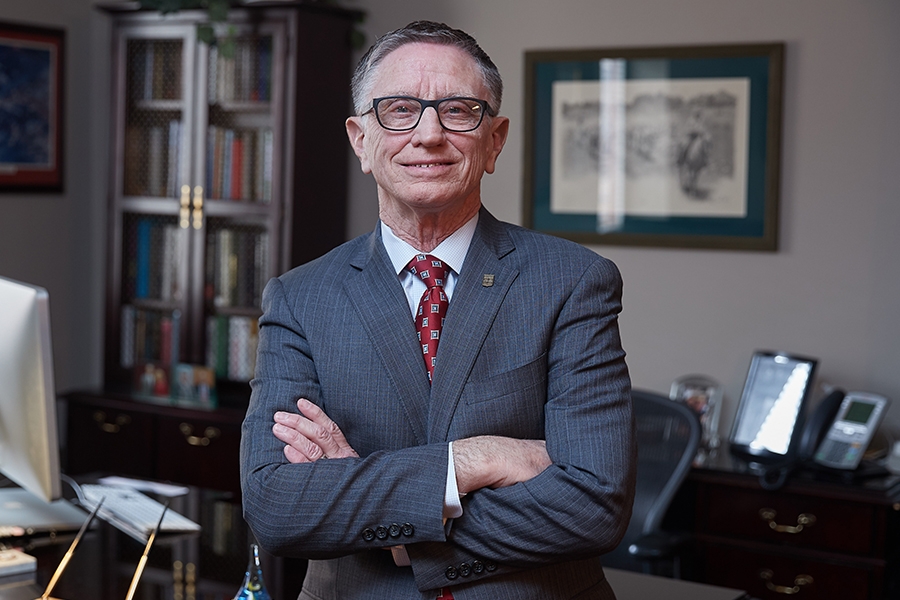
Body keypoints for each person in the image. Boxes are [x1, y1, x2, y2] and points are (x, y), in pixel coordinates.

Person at [240, 20, 635, 600]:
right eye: (399, 109)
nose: (429, 134)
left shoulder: (574, 282)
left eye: (458, 111)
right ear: (360, 140)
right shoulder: (300, 298)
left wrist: (391, 523)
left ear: (494, 140)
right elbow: (276, 506)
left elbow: (594, 505)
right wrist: (476, 460)